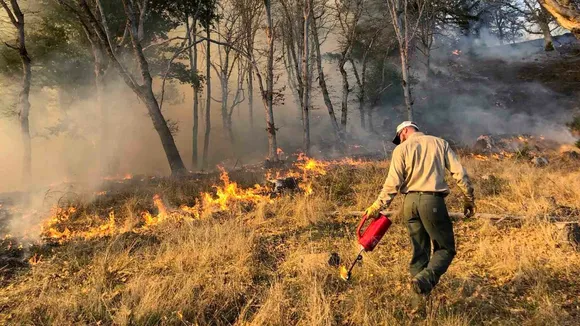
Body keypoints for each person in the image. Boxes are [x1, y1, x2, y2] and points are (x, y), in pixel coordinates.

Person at [365, 121, 475, 295]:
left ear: (405, 131)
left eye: (400, 136)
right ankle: (425, 279)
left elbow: (392, 184)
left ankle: (418, 303)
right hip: (432, 202)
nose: (400, 140)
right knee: (446, 249)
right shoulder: (440, 143)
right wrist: (469, 198)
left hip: (409, 204)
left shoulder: (401, 150)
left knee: (420, 253)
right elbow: (459, 173)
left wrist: (377, 206)